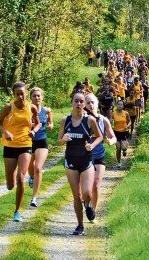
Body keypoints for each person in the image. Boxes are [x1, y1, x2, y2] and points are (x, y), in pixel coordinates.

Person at [57, 90, 103, 235]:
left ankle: (88, 206)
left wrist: (92, 145)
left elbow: (100, 137)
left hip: (86, 160)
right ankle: (80, 225)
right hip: (70, 161)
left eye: (81, 101)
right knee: (76, 195)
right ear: (72, 102)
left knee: (86, 192)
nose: (78, 104)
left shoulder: (89, 120)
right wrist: (63, 140)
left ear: (84, 104)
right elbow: (58, 142)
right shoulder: (66, 120)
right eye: (76, 101)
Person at [0, 81, 40, 222]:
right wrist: (5, 132)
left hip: (25, 145)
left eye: (22, 93)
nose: (21, 96)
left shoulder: (32, 108)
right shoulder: (9, 107)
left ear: (26, 92)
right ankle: (11, 179)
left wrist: (33, 131)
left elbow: (38, 123)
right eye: (17, 94)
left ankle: (17, 211)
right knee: (10, 185)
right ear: (14, 95)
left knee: (21, 177)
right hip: (9, 145)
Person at [85, 93, 116, 217]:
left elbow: (113, 137)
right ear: (85, 105)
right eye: (88, 102)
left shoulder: (104, 120)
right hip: (84, 156)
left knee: (96, 184)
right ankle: (86, 204)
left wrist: (110, 141)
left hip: (99, 155)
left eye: (93, 102)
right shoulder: (83, 119)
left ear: (97, 104)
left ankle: (93, 211)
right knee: (86, 188)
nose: (90, 105)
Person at [28, 87, 53, 207]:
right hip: (28, 142)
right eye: (34, 96)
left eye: (39, 96)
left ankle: (34, 198)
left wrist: (50, 125)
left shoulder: (47, 110)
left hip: (42, 141)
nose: (37, 98)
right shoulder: (27, 110)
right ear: (31, 98)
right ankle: (31, 177)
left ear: (42, 97)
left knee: (38, 168)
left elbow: (50, 123)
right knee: (30, 167)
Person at [112, 100, 131, 169]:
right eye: (119, 104)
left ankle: (125, 150)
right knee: (118, 148)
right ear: (116, 105)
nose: (120, 106)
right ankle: (119, 162)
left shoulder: (126, 113)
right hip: (116, 132)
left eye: (121, 105)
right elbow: (110, 121)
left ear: (123, 106)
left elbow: (130, 122)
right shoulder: (113, 113)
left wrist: (128, 126)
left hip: (124, 132)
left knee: (124, 148)